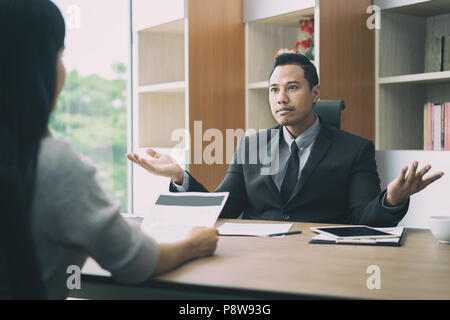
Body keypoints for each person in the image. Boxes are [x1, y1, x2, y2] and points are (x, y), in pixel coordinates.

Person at [0, 0, 218, 300]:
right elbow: (135, 262)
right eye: (60, 55)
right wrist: (193, 244)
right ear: (36, 66)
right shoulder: (53, 163)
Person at [127, 50, 444, 227]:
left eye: (292, 87)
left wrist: (393, 199)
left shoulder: (355, 150)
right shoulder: (250, 145)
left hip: (322, 264)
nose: (281, 98)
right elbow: (220, 210)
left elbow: (365, 219)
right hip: (258, 263)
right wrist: (180, 176)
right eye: (274, 90)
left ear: (315, 92)